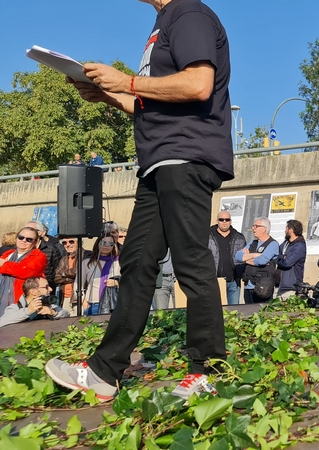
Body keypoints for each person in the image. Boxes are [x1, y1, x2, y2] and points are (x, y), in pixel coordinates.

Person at [46, 0, 233, 403]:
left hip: (186, 156)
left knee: (190, 261)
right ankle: (104, 371)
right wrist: (106, 95)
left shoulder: (189, 13)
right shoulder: (162, 22)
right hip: (156, 163)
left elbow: (198, 83)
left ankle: (209, 371)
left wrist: (125, 81)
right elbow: (147, 104)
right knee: (136, 261)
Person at [0, 227, 47, 311]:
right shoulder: (8, 254)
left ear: (35, 242)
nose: (24, 240)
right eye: (21, 237)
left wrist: (4, 264)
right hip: (3, 296)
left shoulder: (39, 256)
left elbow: (24, 271)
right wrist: (10, 266)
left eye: (29, 239)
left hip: (23, 301)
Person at [236, 218, 280, 304]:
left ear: (264, 229)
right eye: (253, 226)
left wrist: (246, 258)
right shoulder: (252, 243)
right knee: (249, 311)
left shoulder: (273, 244)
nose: (253, 228)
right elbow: (238, 256)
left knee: (262, 311)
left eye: (256, 226)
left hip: (263, 288)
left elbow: (261, 260)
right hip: (248, 286)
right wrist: (255, 255)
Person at [209, 211, 246, 305]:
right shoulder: (207, 236)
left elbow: (244, 257)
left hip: (234, 280)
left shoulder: (239, 237)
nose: (224, 222)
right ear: (217, 221)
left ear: (231, 221)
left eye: (227, 219)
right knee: (216, 308)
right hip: (215, 280)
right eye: (221, 219)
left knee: (234, 309)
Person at [76, 236, 120, 316]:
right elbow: (77, 285)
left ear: (114, 246)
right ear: (97, 244)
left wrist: (116, 283)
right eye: (103, 243)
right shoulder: (87, 263)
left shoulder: (119, 262)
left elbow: (129, 282)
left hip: (113, 305)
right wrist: (84, 302)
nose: (107, 245)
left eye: (110, 244)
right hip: (92, 305)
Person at [0, 277, 69, 328]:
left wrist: (53, 313)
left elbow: (67, 314)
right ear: (33, 292)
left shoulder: (49, 306)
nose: (51, 289)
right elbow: (2, 322)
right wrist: (28, 311)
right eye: (46, 287)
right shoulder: (15, 307)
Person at [54, 236, 91, 316]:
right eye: (64, 243)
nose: (68, 245)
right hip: (65, 298)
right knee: (66, 322)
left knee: (81, 322)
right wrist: (73, 278)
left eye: (71, 241)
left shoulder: (87, 255)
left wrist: (63, 274)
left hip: (80, 298)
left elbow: (78, 271)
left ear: (79, 242)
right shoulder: (64, 259)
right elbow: (55, 277)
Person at [25, 221, 64, 291]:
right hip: (26, 287)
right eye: (25, 230)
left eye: (31, 230)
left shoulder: (51, 248)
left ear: (40, 232)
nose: (26, 233)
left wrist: (49, 282)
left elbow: (58, 268)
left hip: (46, 287)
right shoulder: (21, 249)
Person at [275, 220, 306, 301]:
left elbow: (286, 263)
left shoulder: (300, 246)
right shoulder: (286, 243)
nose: (285, 231)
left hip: (290, 287)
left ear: (290, 230)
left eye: (286, 228)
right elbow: (276, 253)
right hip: (280, 285)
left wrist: (279, 259)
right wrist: (282, 257)